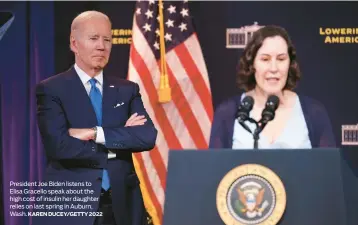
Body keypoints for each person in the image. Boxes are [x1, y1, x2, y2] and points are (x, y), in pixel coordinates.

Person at [34, 11, 157, 225]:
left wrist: (95, 133)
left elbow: (146, 136)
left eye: (107, 39)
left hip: (122, 205)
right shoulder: (51, 89)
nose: (102, 46)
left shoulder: (126, 89)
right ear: (74, 44)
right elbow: (60, 146)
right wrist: (119, 141)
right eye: (93, 38)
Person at [209, 25, 336, 149]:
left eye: (281, 59)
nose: (274, 68)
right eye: (265, 59)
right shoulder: (228, 113)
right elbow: (216, 168)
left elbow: (328, 168)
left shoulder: (314, 112)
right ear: (252, 64)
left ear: (290, 64)